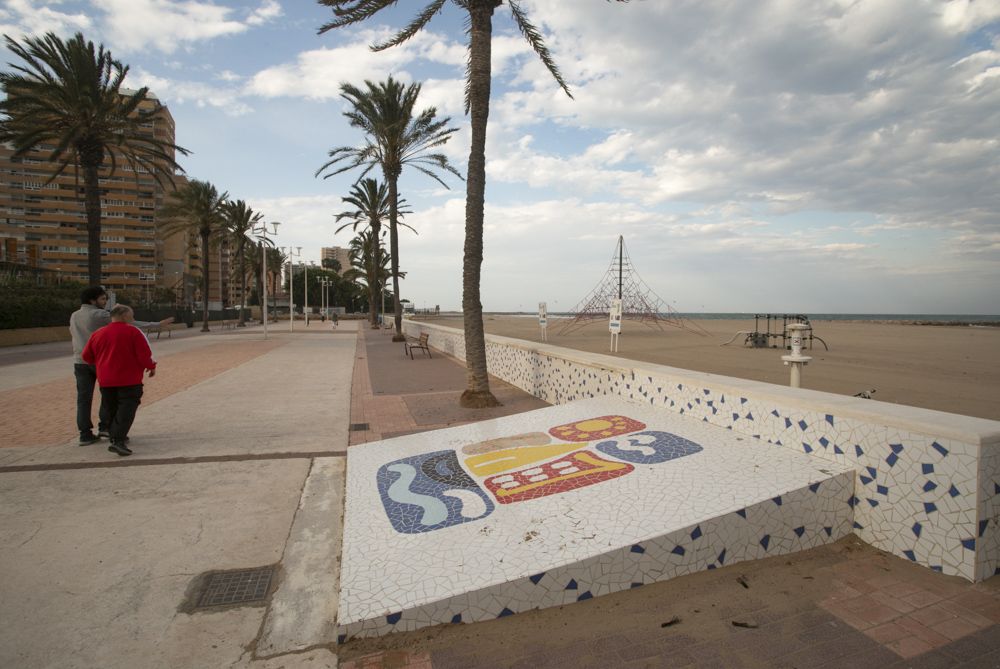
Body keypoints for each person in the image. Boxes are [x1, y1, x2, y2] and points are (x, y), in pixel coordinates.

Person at [69, 286, 172, 445]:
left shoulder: (74, 316)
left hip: (80, 361)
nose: (105, 303)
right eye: (102, 299)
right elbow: (130, 323)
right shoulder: (100, 314)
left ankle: (85, 434)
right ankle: (105, 427)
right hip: (100, 360)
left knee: (83, 399)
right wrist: (157, 324)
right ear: (92, 300)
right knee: (108, 395)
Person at [82, 305, 156, 457]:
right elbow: (143, 355)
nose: (133, 318)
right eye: (131, 315)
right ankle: (118, 440)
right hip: (129, 379)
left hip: (106, 380)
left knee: (112, 408)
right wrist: (151, 366)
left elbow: (87, 357)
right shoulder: (133, 332)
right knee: (126, 410)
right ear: (123, 316)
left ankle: (115, 435)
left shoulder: (98, 333)